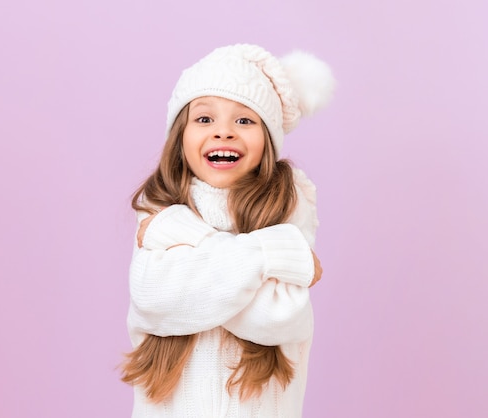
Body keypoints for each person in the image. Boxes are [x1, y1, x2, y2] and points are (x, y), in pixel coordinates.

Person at [120, 43, 336, 417]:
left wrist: (189, 242)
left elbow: (278, 317)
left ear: (267, 139)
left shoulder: (287, 206)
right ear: (180, 137)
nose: (224, 132)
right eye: (205, 119)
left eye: (244, 120)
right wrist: (272, 253)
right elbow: (157, 299)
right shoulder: (159, 210)